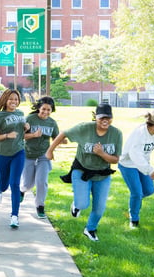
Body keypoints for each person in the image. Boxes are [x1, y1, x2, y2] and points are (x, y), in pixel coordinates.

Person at [46, 103, 123, 241]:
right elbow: (64, 133)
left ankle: (90, 229)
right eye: (101, 118)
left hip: (102, 174)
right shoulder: (85, 128)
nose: (105, 121)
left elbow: (115, 159)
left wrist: (102, 154)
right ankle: (76, 205)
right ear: (96, 117)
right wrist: (50, 150)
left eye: (108, 118)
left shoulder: (116, 133)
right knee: (82, 204)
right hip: (81, 170)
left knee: (99, 208)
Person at [118, 111, 154, 228]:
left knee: (149, 190)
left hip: (142, 164)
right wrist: (150, 171)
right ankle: (134, 220)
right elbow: (136, 156)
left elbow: (148, 146)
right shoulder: (140, 134)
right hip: (128, 164)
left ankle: (134, 201)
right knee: (137, 192)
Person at [0, 89, 29, 229]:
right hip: (2, 154)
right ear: (6, 100)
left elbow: (20, 133)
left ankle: (14, 216)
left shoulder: (21, 113)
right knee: (4, 185)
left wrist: (26, 128)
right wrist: (6, 136)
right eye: (11, 99)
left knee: (15, 184)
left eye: (16, 99)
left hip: (19, 152)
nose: (14, 102)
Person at [20, 96, 61, 219]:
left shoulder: (52, 123)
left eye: (49, 110)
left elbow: (56, 138)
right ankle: (22, 190)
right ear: (39, 108)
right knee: (28, 184)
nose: (46, 112)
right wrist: (33, 135)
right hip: (28, 154)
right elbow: (20, 136)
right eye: (43, 109)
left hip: (44, 155)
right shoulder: (29, 119)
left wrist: (60, 142)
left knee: (41, 181)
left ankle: (40, 206)